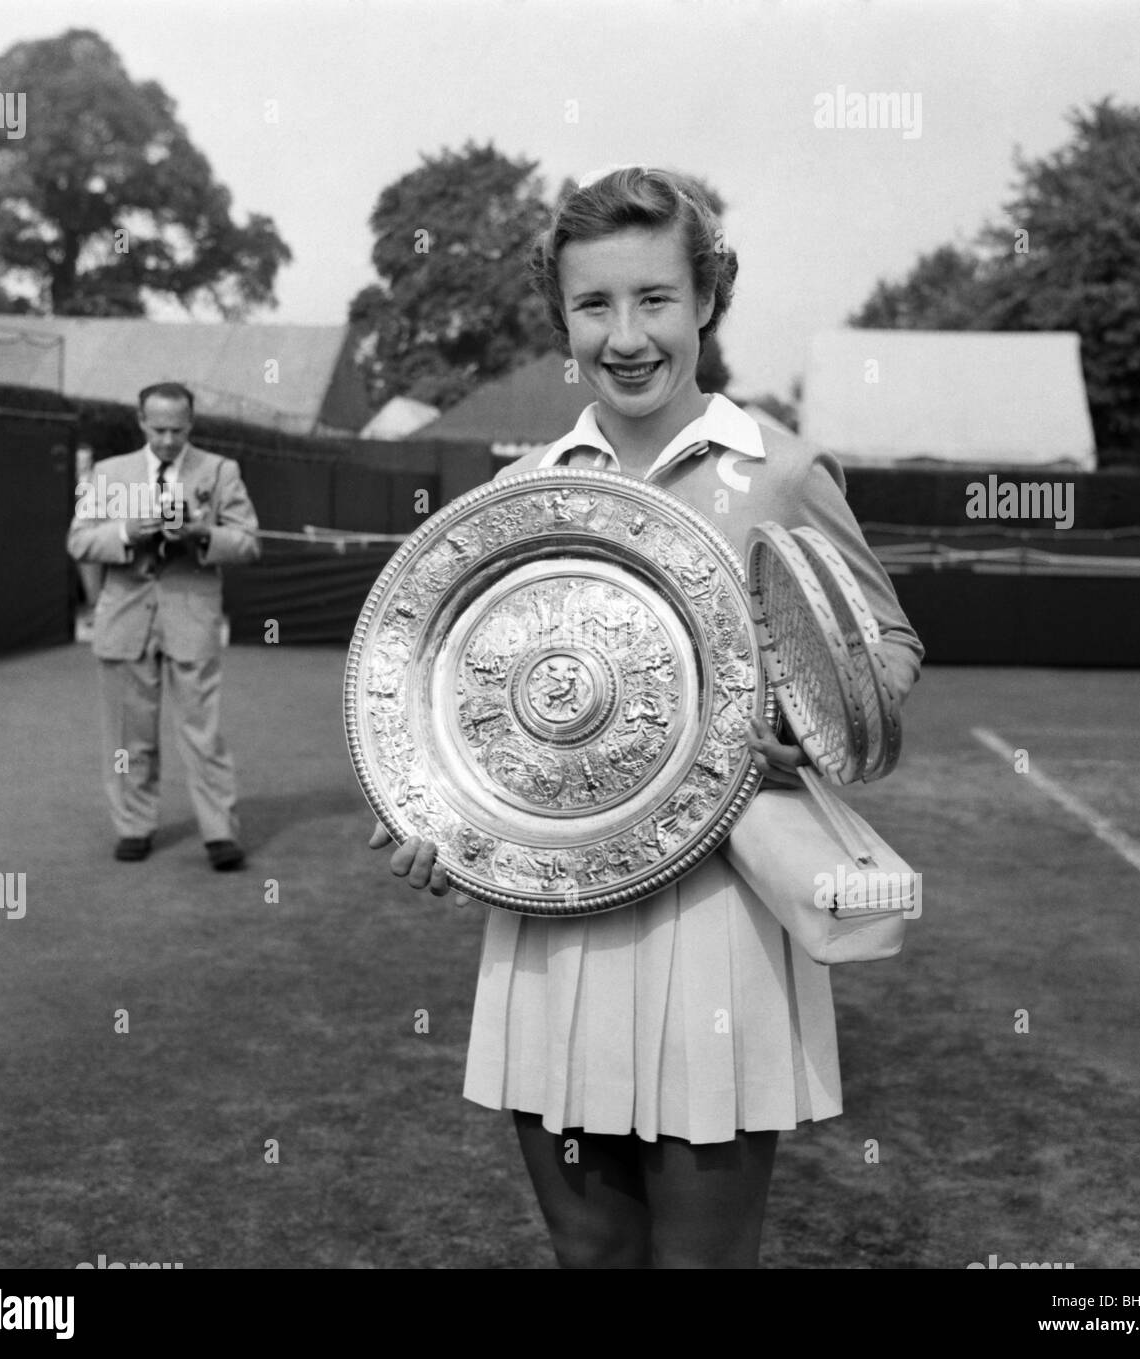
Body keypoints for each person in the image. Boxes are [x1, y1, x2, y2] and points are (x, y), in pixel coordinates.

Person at [369, 166, 924, 1267]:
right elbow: (464, 697)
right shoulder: (527, 487)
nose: (626, 336)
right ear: (562, 318)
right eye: (594, 305)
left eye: (654, 299)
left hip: (715, 925)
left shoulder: (783, 470)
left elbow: (888, 645)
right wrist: (426, 808)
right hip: (550, 915)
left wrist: (810, 721)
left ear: (707, 298)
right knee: (590, 1255)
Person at [67, 382, 260, 868]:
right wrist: (127, 533)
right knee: (129, 737)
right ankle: (134, 826)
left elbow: (248, 542)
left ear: (191, 424)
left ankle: (220, 834)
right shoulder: (109, 474)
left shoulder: (220, 471)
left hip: (191, 617)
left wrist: (201, 534)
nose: (169, 440)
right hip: (124, 622)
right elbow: (79, 542)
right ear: (140, 422)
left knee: (203, 734)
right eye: (159, 429)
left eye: (178, 429)